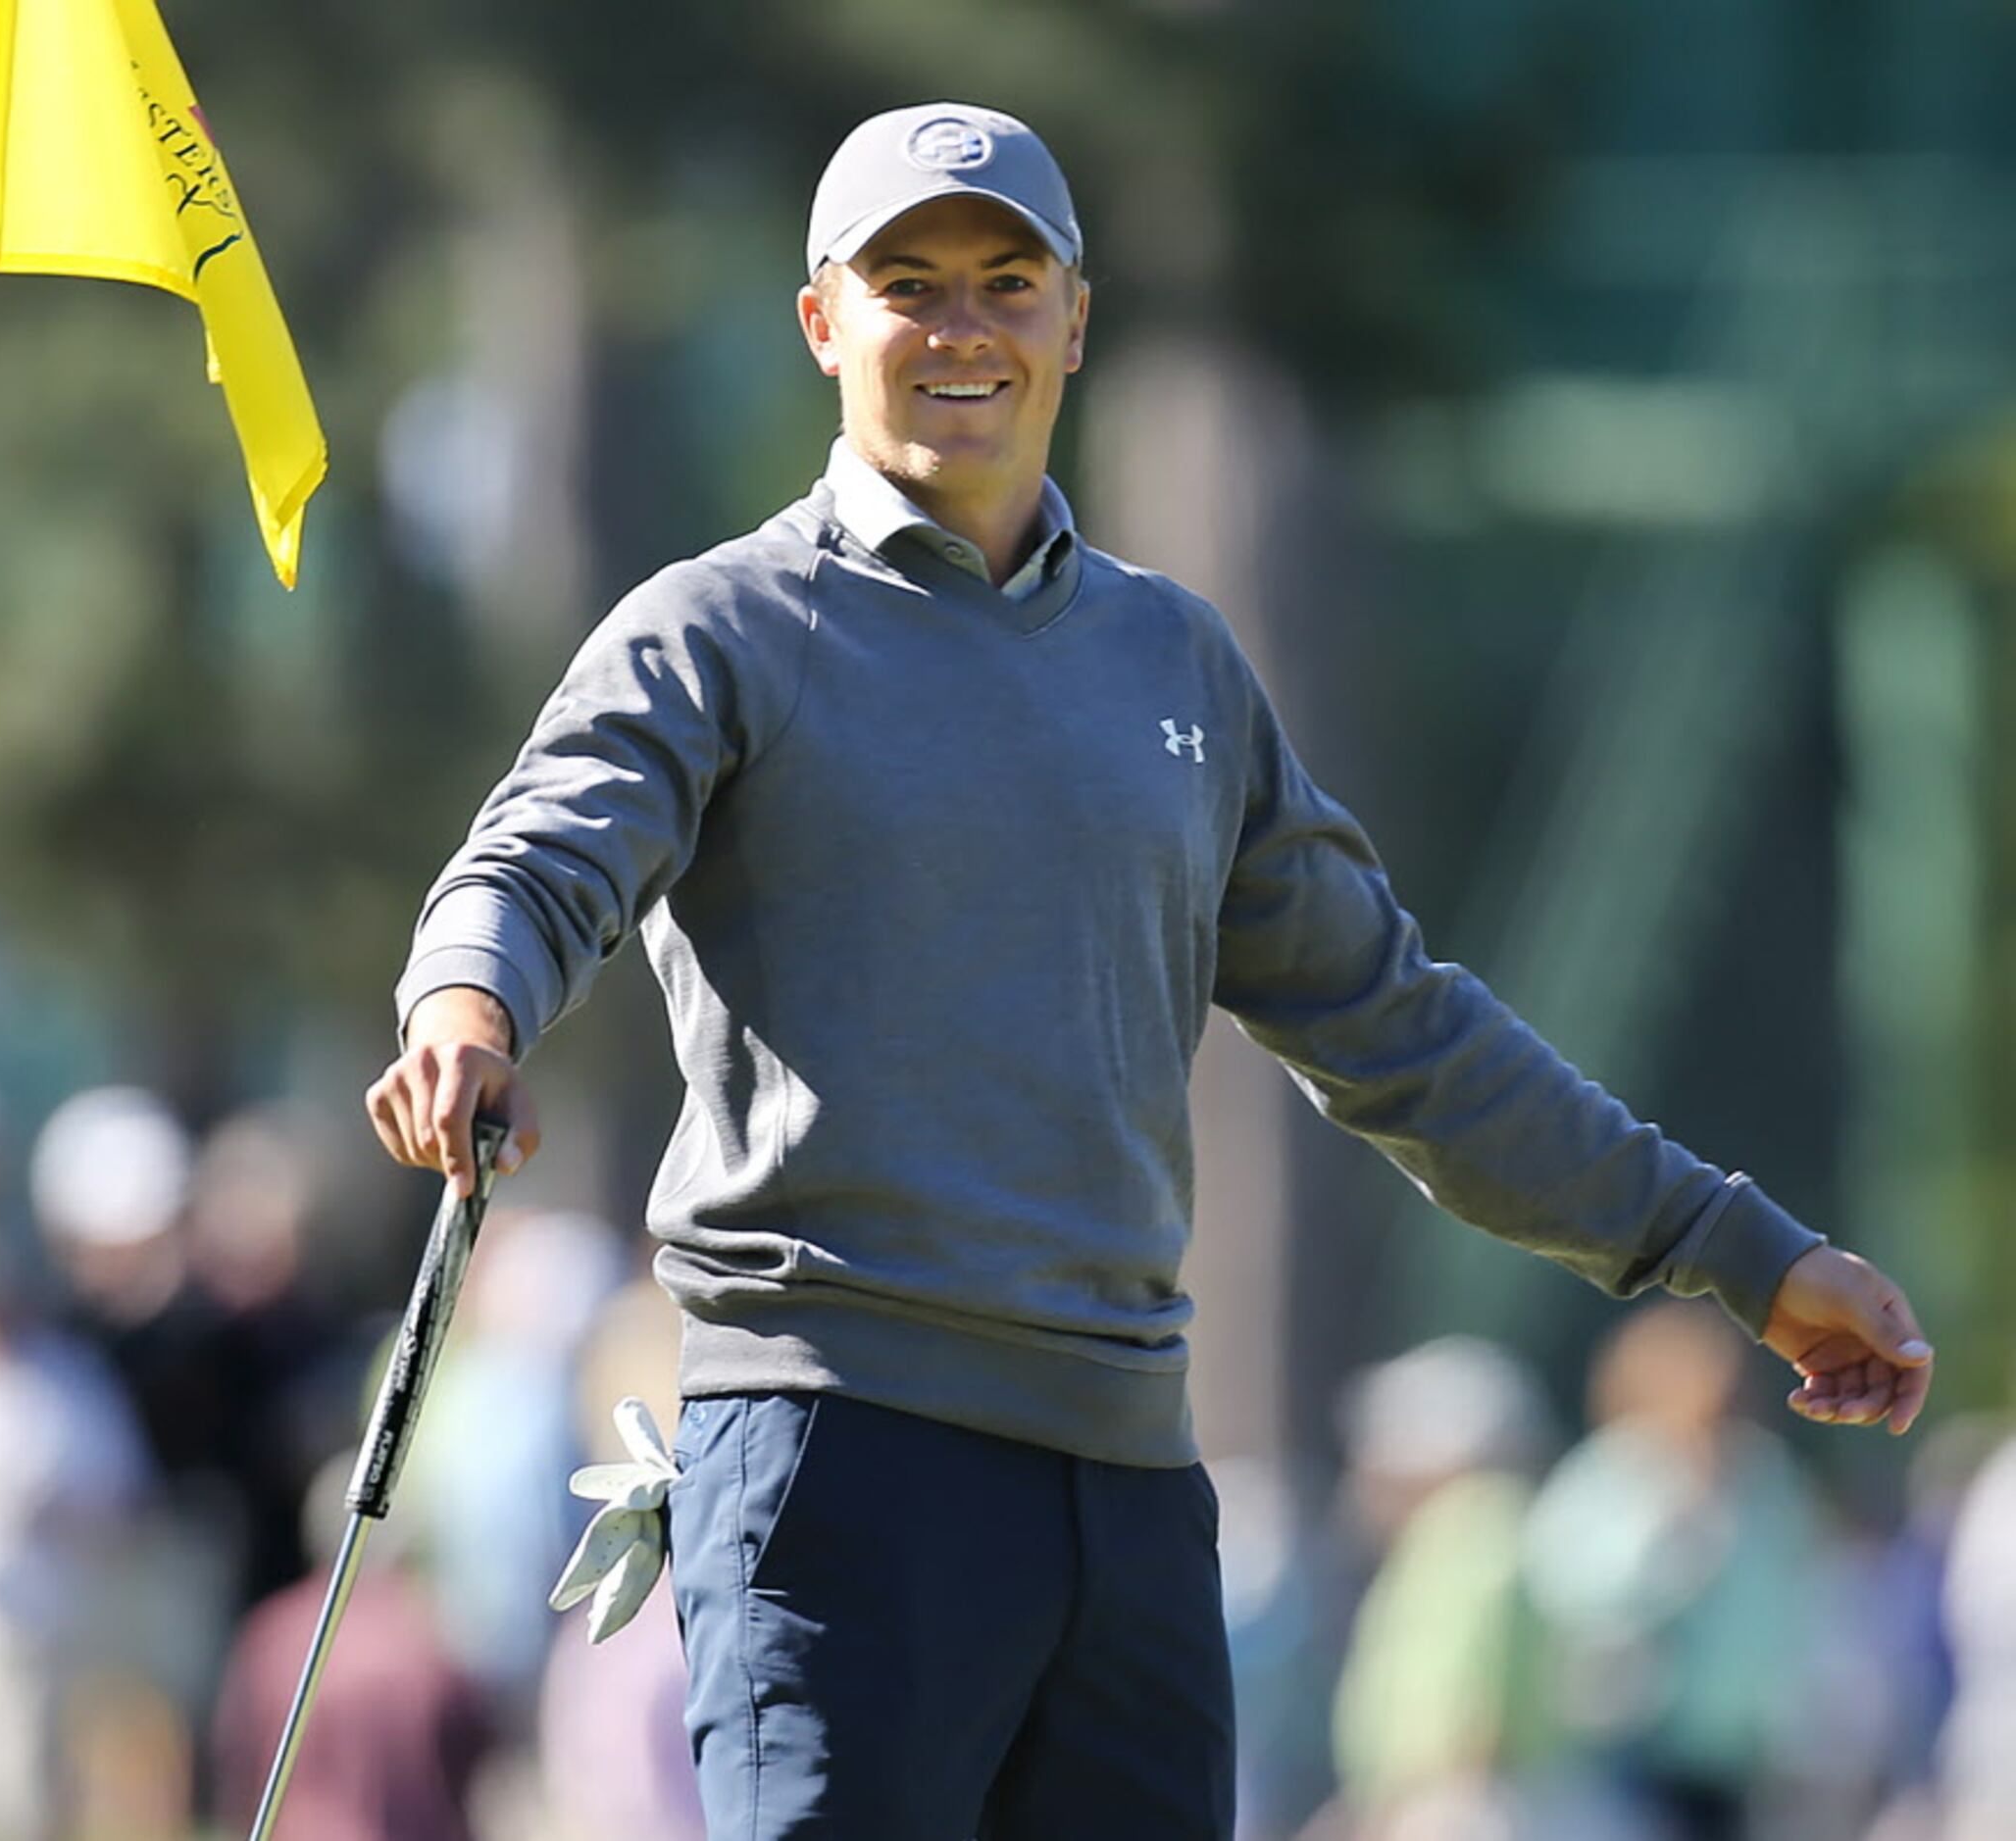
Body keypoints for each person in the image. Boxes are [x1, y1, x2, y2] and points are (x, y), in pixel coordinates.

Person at [364, 101, 1934, 1840]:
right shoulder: (722, 627)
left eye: (1004, 283)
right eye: (908, 285)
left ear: (1075, 321)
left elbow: (1397, 1029)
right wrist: (466, 1007)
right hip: (833, 1454)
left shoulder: (1169, 657)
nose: (960, 329)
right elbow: (538, 854)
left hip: (1125, 1492)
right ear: (823, 321)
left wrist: (1739, 1252)